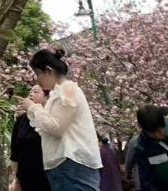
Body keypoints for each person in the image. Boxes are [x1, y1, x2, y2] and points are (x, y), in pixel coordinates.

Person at [17, 48, 102, 190]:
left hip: (72, 163)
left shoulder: (68, 90)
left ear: (49, 70)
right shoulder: (58, 92)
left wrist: (33, 108)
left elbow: (56, 128)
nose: (37, 79)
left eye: (38, 73)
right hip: (64, 164)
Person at [11, 85, 52, 191]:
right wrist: (16, 180)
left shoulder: (52, 120)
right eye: (30, 91)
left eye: (36, 92)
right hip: (25, 176)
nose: (31, 94)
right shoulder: (21, 120)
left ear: (47, 97)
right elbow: (15, 152)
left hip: (48, 176)